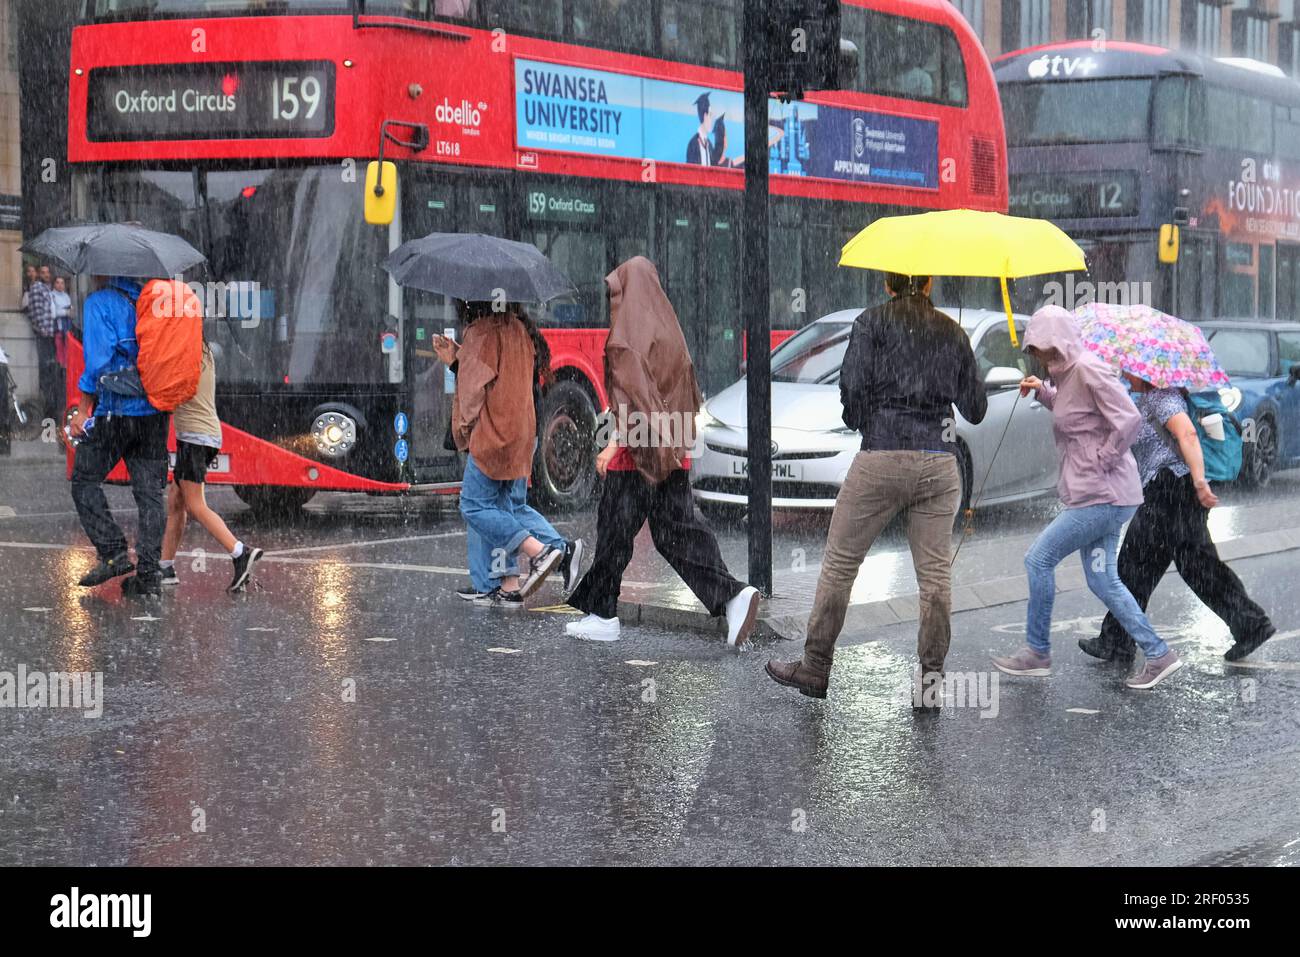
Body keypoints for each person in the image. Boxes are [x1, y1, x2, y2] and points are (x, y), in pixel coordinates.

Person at [765, 273, 987, 702]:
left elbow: (851, 388)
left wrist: (867, 422)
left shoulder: (872, 322)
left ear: (888, 284)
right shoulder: (951, 330)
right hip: (939, 463)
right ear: (929, 284)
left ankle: (815, 667)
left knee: (841, 564)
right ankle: (929, 683)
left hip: (882, 456)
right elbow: (974, 410)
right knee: (935, 577)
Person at [566, 256, 759, 645]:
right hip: (672, 449)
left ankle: (603, 614)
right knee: (677, 531)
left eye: (615, 292)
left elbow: (635, 400)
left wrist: (614, 445)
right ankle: (733, 595)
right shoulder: (669, 328)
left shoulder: (626, 336)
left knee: (614, 531)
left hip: (637, 454)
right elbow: (686, 390)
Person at [991, 306, 1183, 690]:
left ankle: (1037, 652)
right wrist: (1044, 393)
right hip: (1103, 493)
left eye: (1047, 349)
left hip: (1103, 494)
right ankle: (1159, 654)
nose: (1043, 357)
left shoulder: (1088, 369)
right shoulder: (1067, 376)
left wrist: (1103, 458)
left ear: (1061, 342)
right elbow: (1077, 415)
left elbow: (1128, 419)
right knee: (1102, 579)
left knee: (1038, 560)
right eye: (1038, 351)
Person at [1079, 374, 1275, 664]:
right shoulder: (1147, 398)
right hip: (1170, 489)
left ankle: (1117, 640)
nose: (1124, 372)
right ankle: (1249, 624)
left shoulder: (1163, 398)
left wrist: (1198, 482)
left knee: (1141, 563)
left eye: (1129, 368)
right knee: (1181, 564)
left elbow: (1188, 435)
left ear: (1144, 372)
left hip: (1173, 487)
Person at [433, 300, 582, 602]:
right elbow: (500, 377)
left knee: (475, 506)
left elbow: (474, 390)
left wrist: (463, 430)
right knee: (504, 508)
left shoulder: (482, 332)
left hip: (493, 435)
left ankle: (543, 552)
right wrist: (460, 356)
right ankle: (510, 582)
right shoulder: (518, 329)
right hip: (522, 432)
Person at [68, 276, 170, 597]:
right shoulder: (154, 302)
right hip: (154, 414)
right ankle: (150, 574)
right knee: (150, 495)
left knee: (85, 480)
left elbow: (97, 362)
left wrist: (84, 410)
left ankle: (113, 552)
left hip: (116, 412)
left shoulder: (100, 302)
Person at [160, 339, 263, 592]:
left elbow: (171, 389)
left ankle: (239, 552)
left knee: (195, 505)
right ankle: (165, 567)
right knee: (176, 501)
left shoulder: (186, 351)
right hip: (199, 435)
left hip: (196, 436)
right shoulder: (201, 348)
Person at [23, 263, 61, 421]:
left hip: (50, 333)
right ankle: (48, 409)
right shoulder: (38, 288)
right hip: (44, 334)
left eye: (48, 272)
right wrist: (41, 330)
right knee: (47, 372)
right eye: (43, 272)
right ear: (39, 274)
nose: (46, 275)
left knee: (51, 371)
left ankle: (51, 408)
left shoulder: (46, 288)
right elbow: (34, 311)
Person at [51, 275, 73, 368]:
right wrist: (66, 312)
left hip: (67, 328)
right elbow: (53, 313)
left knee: (67, 351)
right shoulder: (51, 295)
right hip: (58, 329)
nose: (60, 285)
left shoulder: (66, 296)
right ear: (54, 284)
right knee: (59, 353)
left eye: (62, 283)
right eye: (58, 282)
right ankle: (60, 371)